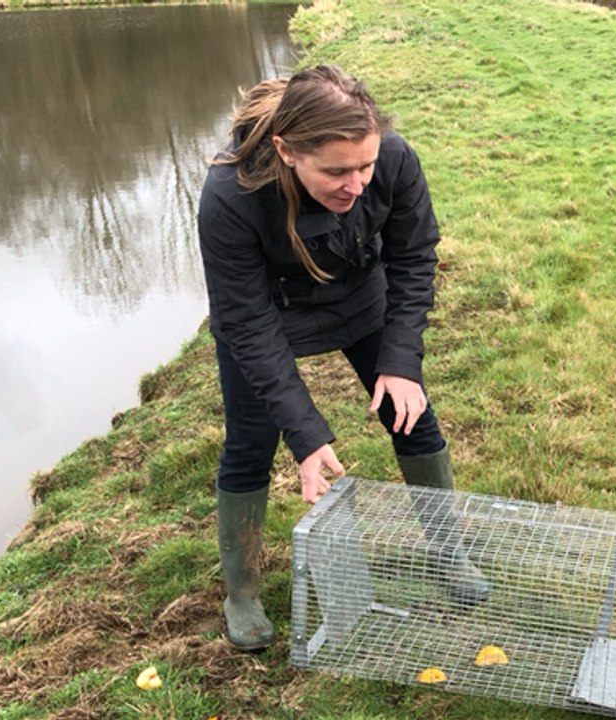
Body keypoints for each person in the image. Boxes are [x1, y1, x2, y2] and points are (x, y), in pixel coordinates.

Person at [197, 64, 490, 652]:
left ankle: (448, 551)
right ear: (285, 150)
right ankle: (243, 591)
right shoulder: (229, 198)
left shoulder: (397, 160)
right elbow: (249, 326)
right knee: (249, 446)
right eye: (336, 171)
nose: (356, 184)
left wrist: (401, 361)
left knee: (412, 414)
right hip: (267, 316)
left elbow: (413, 256)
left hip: (360, 297)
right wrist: (305, 435)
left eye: (365, 166)